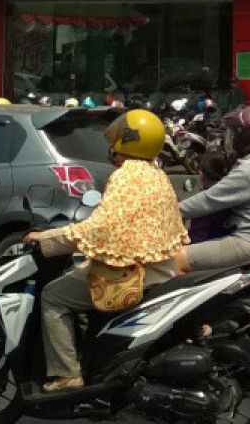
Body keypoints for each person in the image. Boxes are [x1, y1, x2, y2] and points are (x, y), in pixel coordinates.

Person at [25, 109, 189, 393]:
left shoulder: (125, 177)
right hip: (159, 268)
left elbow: (99, 228)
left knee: (53, 296)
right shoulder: (156, 173)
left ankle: (67, 373)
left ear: (127, 140)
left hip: (130, 274)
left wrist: (47, 239)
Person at [177, 106, 250, 271]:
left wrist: (171, 211)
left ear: (245, 137)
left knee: (175, 260)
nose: (229, 139)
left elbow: (208, 201)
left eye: (234, 134)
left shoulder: (248, 170)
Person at [184, 152, 233, 245]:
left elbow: (197, 237)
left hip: (206, 248)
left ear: (202, 173)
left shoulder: (206, 201)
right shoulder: (233, 193)